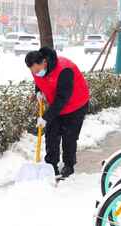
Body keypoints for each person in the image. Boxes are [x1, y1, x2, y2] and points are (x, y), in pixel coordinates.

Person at [25, 47, 90, 178]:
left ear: (44, 62)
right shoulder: (37, 69)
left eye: (37, 70)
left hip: (75, 105)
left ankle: (68, 166)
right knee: (51, 135)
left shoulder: (65, 70)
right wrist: (38, 91)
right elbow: (39, 81)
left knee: (69, 137)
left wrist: (46, 117)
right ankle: (51, 166)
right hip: (56, 105)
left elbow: (62, 98)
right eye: (33, 72)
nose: (36, 73)